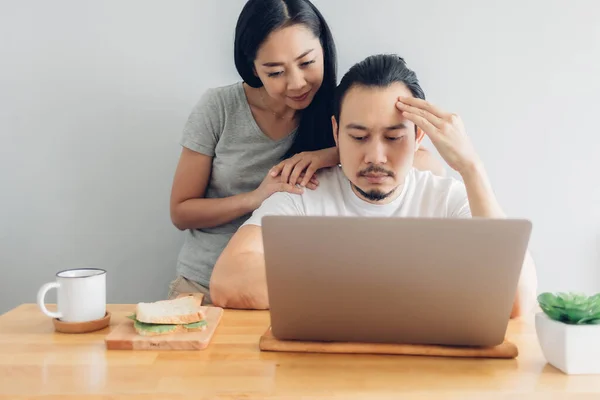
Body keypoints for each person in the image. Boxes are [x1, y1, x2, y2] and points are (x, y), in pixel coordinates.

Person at [209, 53, 538, 318]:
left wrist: (471, 168)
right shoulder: (304, 193)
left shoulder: (447, 199)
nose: (375, 156)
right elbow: (227, 280)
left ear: (418, 136)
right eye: (358, 137)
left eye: (394, 137)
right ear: (336, 133)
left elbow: (517, 299)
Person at [168, 0, 445, 302]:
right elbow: (181, 212)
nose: (297, 83)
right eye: (275, 72)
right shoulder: (218, 108)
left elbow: (424, 165)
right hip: (203, 284)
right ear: (253, 68)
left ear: (323, 50)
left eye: (306, 63)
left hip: (289, 290)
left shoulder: (344, 109)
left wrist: (330, 153)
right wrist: (257, 197)